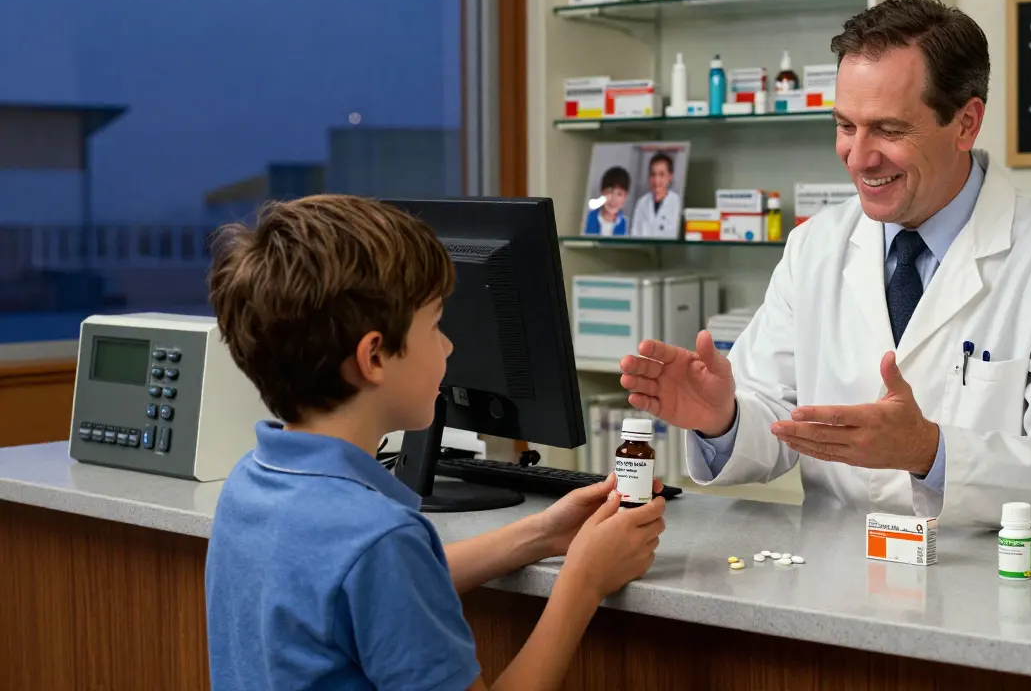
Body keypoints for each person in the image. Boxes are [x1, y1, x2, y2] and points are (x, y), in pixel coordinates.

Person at [618, 0, 1031, 528]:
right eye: (845, 125)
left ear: (965, 123)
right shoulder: (814, 247)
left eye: (888, 130)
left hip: (986, 588)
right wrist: (720, 419)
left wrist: (930, 453)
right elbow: (775, 419)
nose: (859, 157)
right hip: (832, 578)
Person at [206, 195, 667, 690]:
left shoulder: (247, 487)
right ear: (374, 357)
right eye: (435, 326)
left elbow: (365, 589)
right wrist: (584, 582)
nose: (448, 346)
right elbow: (379, 569)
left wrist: (542, 535)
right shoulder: (379, 539)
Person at [631, 151, 683, 238]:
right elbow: (634, 233)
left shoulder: (677, 203)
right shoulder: (641, 202)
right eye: (653, 174)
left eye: (661, 174)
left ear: (670, 177)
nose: (656, 180)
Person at [582, 165, 631, 236]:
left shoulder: (628, 226)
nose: (613, 199)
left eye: (619, 194)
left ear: (625, 197)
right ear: (602, 192)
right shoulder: (586, 219)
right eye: (609, 192)